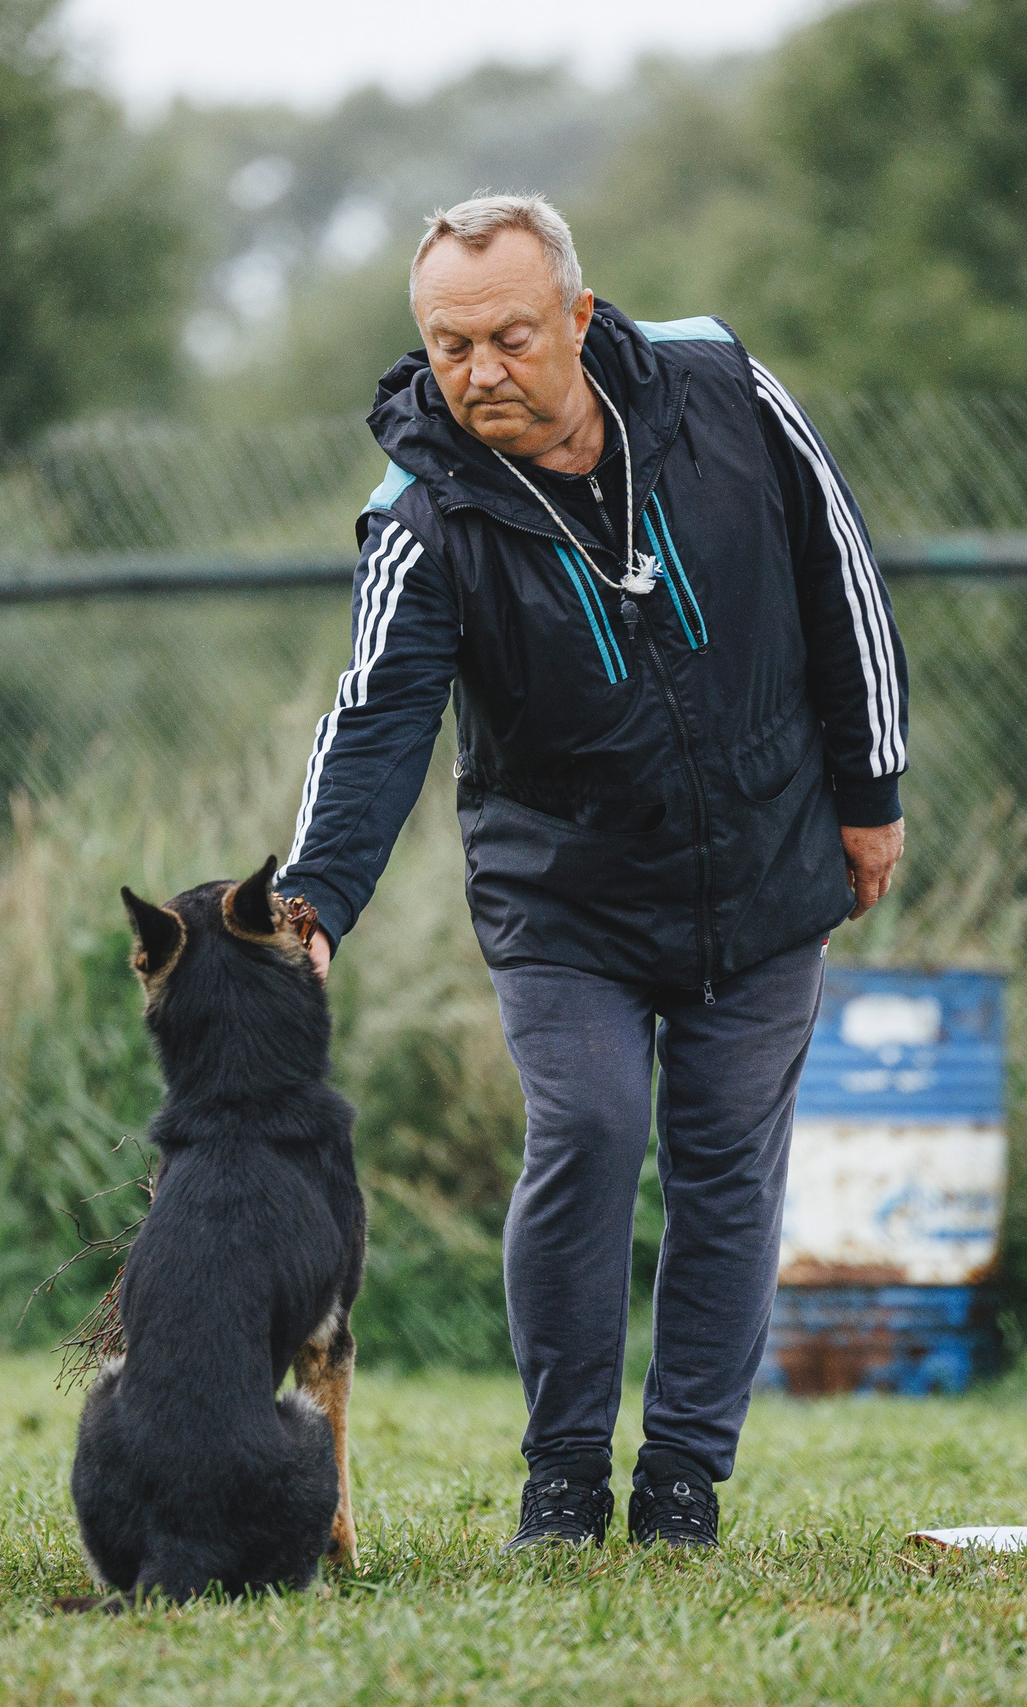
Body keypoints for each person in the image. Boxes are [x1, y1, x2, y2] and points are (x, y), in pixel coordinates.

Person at [277, 192, 908, 1551]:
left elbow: (838, 572)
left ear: (577, 314)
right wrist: (311, 901)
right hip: (562, 891)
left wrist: (870, 792)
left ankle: (682, 1478)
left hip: (765, 856)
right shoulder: (420, 511)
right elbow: (376, 717)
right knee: (590, 1128)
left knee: (729, 1165)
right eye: (449, 347)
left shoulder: (722, 384)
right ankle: (563, 1473)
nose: (480, 372)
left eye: (509, 335)